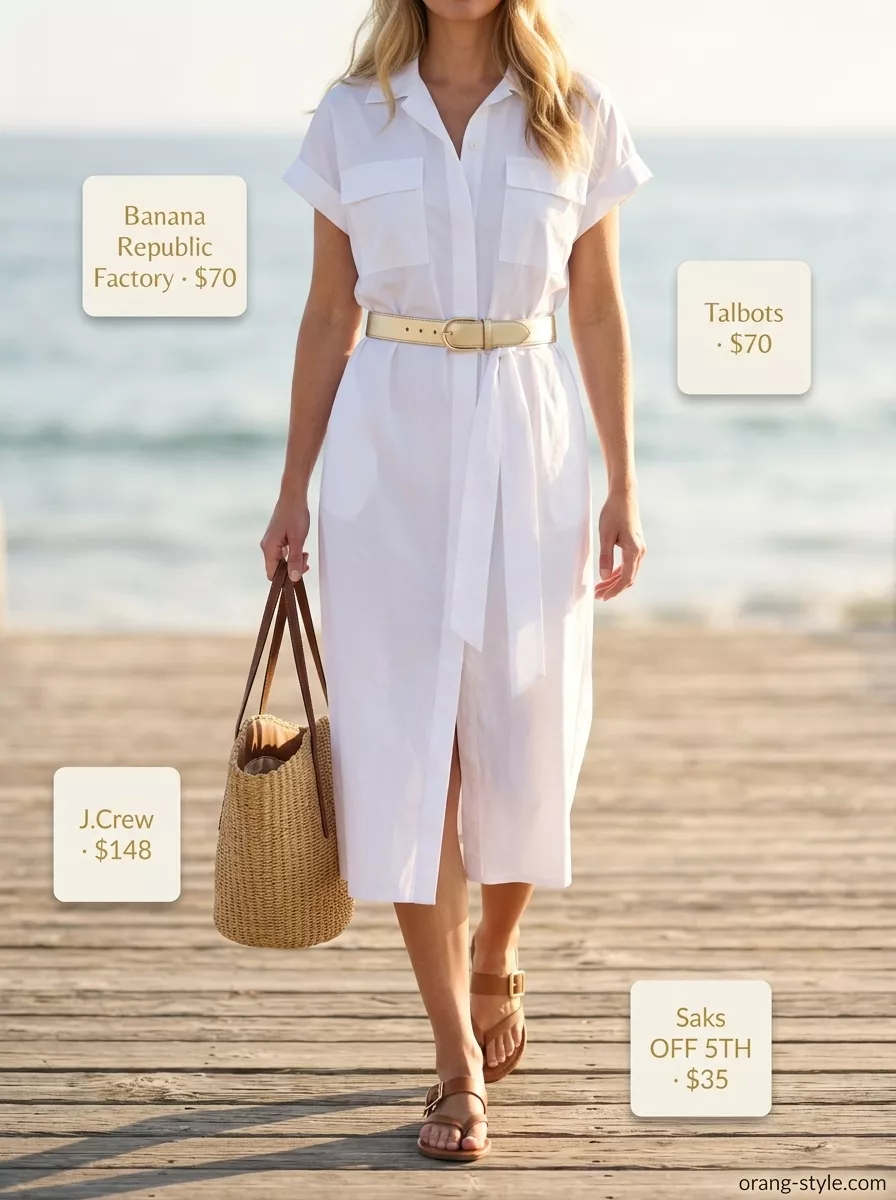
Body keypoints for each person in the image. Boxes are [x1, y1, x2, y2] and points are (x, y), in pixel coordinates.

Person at [262, 0, 650, 1163]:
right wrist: (290, 490)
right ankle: (451, 1055)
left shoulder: (571, 109)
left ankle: (496, 952)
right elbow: (331, 310)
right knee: (405, 748)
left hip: (529, 447)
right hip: (389, 453)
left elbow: (593, 304)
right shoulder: (351, 116)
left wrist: (623, 482)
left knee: (525, 734)